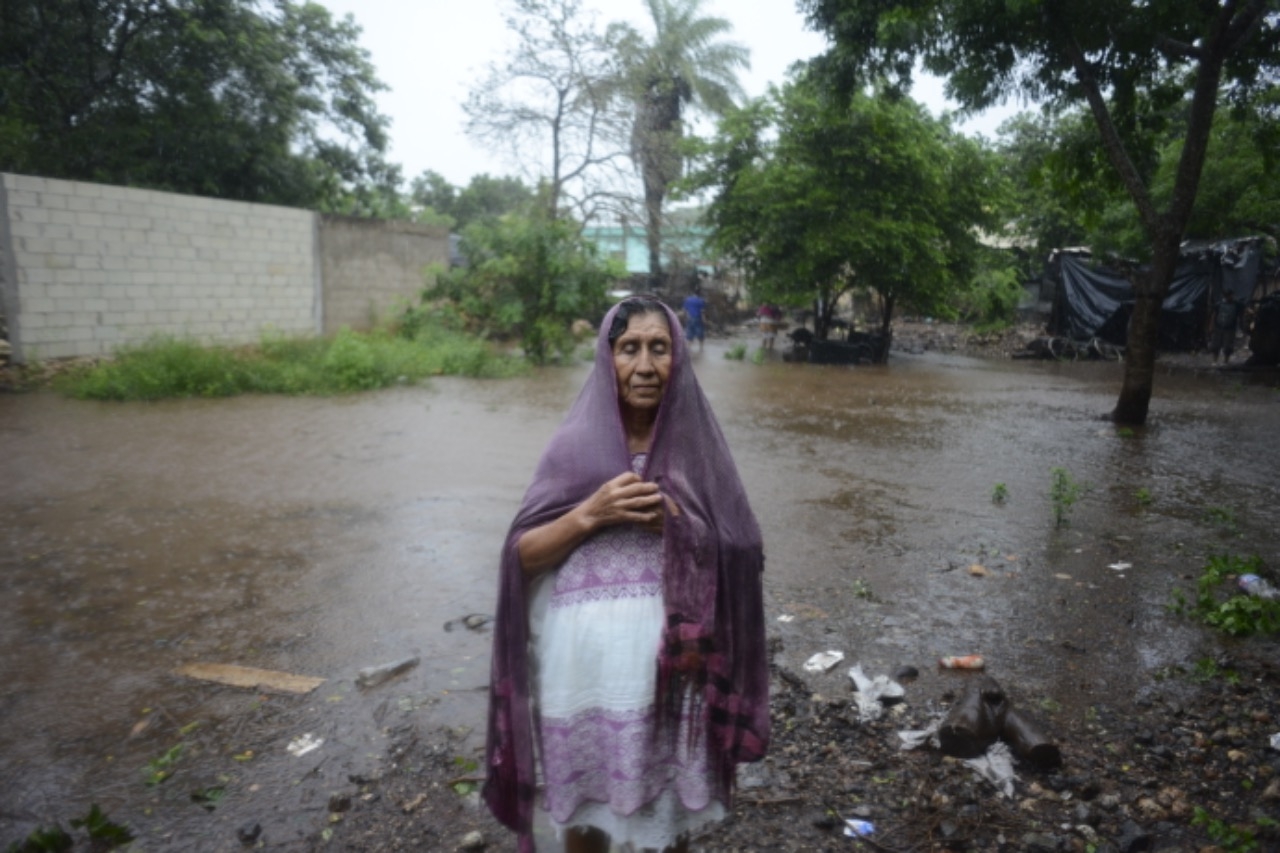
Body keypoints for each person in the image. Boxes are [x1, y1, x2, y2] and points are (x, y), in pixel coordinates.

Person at [483, 296, 769, 853]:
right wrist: (591, 514)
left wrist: (682, 528)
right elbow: (519, 557)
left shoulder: (697, 451)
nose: (644, 366)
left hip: (673, 674)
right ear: (606, 358)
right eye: (629, 349)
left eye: (658, 348)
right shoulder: (573, 448)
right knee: (585, 824)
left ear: (678, 359)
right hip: (582, 676)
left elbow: (743, 548)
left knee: (668, 824)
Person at [1210, 289, 1243, 364]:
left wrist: (1242, 326)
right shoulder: (1219, 304)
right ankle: (1214, 361)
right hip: (1218, 327)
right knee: (1215, 346)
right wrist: (1211, 326)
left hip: (1230, 328)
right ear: (1225, 296)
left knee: (1228, 346)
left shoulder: (1237, 305)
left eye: (1230, 295)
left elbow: (1240, 316)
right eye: (1227, 295)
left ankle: (1226, 361)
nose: (1229, 297)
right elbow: (1214, 315)